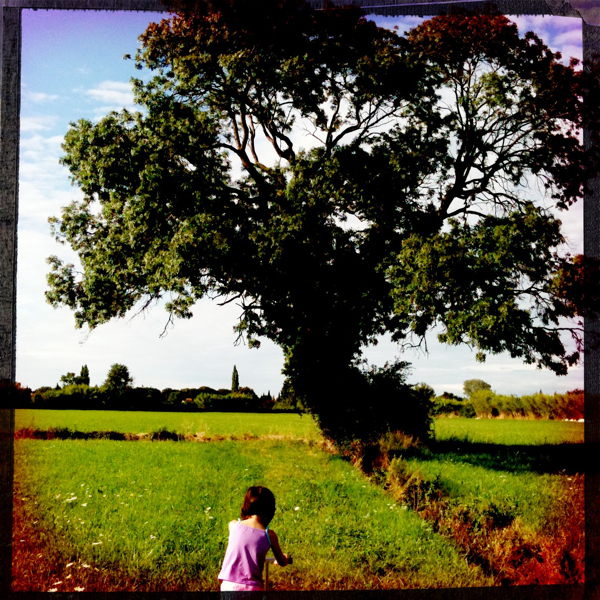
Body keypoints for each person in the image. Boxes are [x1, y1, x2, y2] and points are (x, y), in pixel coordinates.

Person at [218, 486, 291, 592]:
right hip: (252, 588)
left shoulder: (233, 525)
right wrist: (286, 558)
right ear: (270, 510)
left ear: (247, 505)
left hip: (229, 586)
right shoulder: (269, 535)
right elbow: (282, 561)